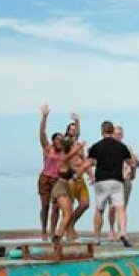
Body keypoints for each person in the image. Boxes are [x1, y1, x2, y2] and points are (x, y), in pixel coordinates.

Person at [80, 121, 137, 247]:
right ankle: (123, 232)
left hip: (101, 182)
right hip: (117, 182)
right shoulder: (122, 147)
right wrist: (133, 173)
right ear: (112, 131)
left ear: (102, 131)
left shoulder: (96, 146)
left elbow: (87, 164)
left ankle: (97, 238)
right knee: (121, 209)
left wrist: (76, 174)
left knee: (99, 210)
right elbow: (132, 163)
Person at [37, 104, 65, 241]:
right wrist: (44, 117)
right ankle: (43, 229)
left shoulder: (64, 152)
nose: (60, 141)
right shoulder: (48, 149)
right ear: (53, 141)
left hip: (57, 181)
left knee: (56, 207)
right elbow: (42, 134)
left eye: (62, 139)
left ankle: (53, 232)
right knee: (45, 206)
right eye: (58, 139)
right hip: (45, 179)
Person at [108, 126, 139, 240]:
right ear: (112, 134)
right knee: (112, 207)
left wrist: (134, 172)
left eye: (120, 134)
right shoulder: (108, 148)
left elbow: (135, 163)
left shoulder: (127, 148)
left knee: (122, 207)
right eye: (116, 134)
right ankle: (111, 229)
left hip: (125, 179)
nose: (118, 136)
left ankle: (121, 231)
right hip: (112, 180)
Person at [50, 138, 85, 243]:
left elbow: (77, 169)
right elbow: (72, 154)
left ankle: (59, 235)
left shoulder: (67, 160)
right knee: (68, 214)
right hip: (60, 188)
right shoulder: (63, 158)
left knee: (68, 213)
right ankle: (57, 235)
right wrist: (80, 146)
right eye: (72, 146)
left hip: (64, 187)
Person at [63, 113, 91, 238]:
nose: (74, 132)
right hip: (70, 178)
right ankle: (68, 229)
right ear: (67, 131)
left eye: (75, 130)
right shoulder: (65, 144)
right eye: (71, 129)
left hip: (80, 178)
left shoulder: (79, 145)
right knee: (69, 205)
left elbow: (84, 160)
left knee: (85, 204)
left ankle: (70, 224)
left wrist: (91, 174)